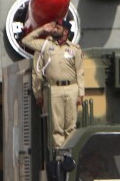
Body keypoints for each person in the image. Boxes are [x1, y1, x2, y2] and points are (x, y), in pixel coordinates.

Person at [22, 19, 85, 148]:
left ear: (65, 31)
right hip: (54, 89)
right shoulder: (45, 45)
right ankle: (60, 154)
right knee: (56, 126)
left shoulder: (74, 49)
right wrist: (42, 29)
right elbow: (25, 41)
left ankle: (70, 151)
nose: (54, 29)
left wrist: (81, 93)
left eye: (58, 27)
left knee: (71, 124)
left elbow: (80, 72)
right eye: (55, 27)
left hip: (71, 88)